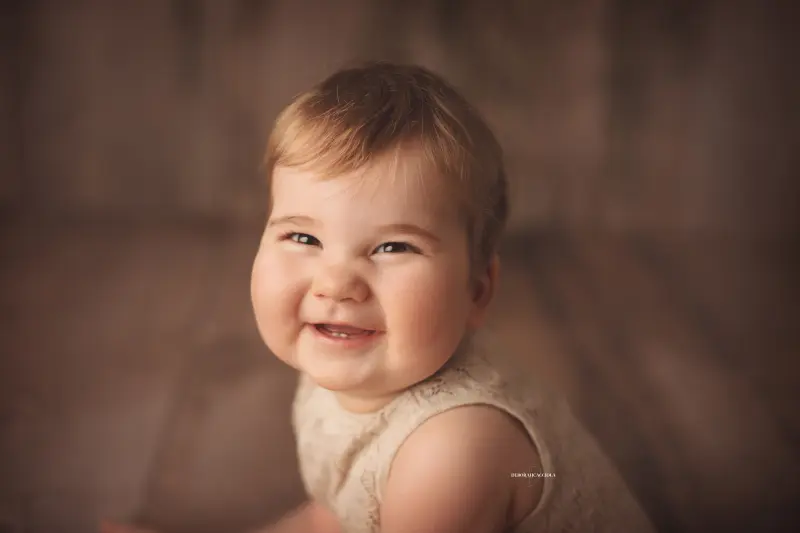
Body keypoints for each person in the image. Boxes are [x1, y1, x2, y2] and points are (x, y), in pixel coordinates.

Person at [102, 61, 655, 533]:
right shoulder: (353, 362)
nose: (337, 283)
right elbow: (336, 517)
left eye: (393, 246)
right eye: (303, 237)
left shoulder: (450, 455)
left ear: (477, 290)